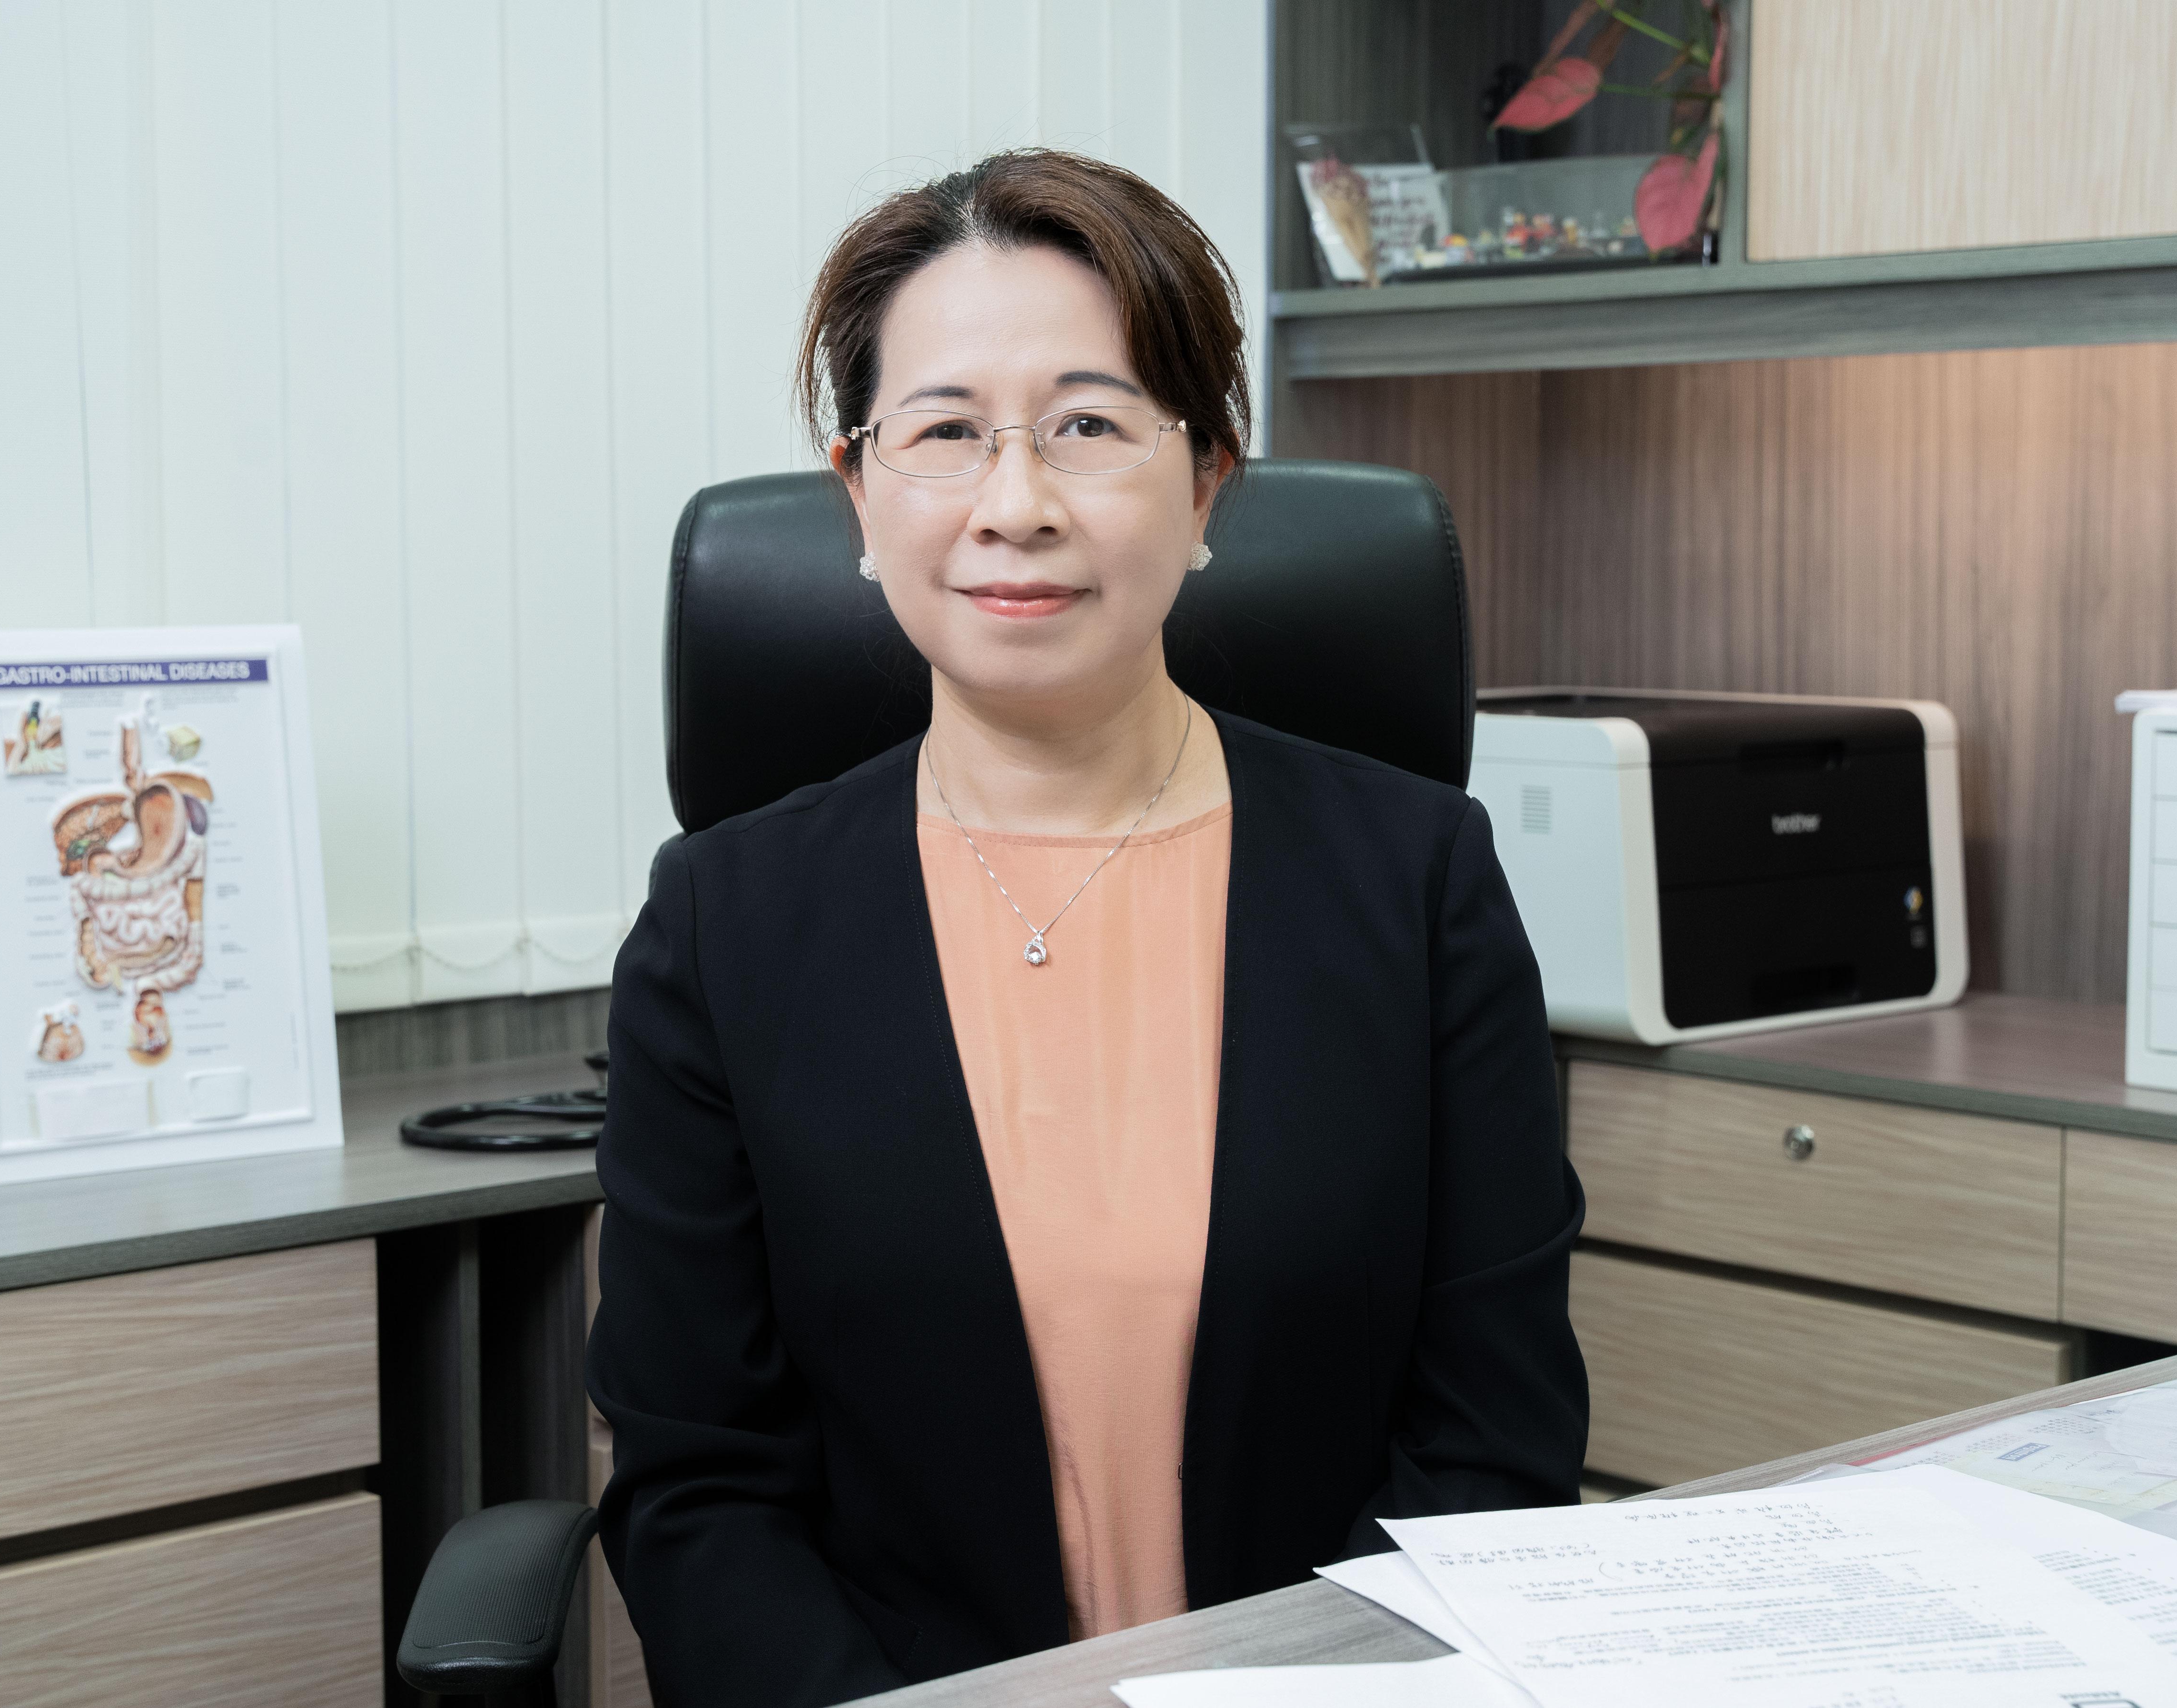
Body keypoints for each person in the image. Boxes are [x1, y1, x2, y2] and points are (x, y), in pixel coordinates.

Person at [587, 149, 1585, 1708]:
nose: (1017, 505)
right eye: (944, 432)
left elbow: (1495, 1446)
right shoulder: (723, 925)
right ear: (859, 496)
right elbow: (701, 1493)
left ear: (1206, 485)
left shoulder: (1418, 882)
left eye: (1090, 426)